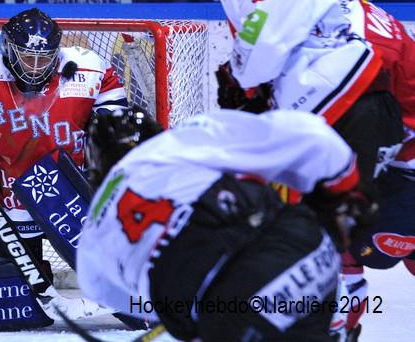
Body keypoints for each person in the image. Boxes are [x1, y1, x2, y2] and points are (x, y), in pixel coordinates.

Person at [209, 0, 410, 339]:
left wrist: (240, 78)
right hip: (374, 100)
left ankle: (330, 314)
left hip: (342, 101)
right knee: (339, 230)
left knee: (309, 225)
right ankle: (339, 313)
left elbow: (260, 48)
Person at [78, 107, 373, 341]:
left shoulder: (91, 238)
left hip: (223, 314)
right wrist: (345, 189)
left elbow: (123, 298)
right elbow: (309, 133)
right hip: (292, 249)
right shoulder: (178, 142)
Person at [0, 8, 128, 278]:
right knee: (8, 294)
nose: (37, 66)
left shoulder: (90, 68)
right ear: (9, 50)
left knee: (115, 278)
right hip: (7, 203)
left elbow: (116, 129)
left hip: (73, 199)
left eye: (45, 58)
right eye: (28, 58)